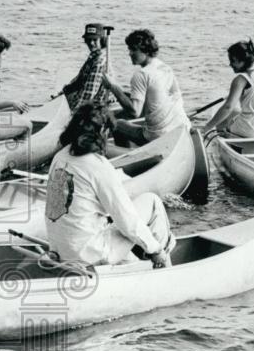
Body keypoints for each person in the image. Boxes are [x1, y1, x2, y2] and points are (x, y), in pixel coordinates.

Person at [44, 103, 175, 268]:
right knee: (152, 202)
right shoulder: (98, 165)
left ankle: (136, 262)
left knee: (118, 223)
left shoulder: (59, 157)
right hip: (88, 255)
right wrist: (155, 250)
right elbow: (127, 221)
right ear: (102, 133)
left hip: (59, 250)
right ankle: (165, 265)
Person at [104, 29, 189, 146]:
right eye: (129, 49)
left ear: (146, 50)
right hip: (181, 127)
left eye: (133, 49)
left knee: (117, 124)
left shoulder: (141, 74)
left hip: (158, 136)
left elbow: (134, 113)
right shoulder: (165, 67)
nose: (130, 53)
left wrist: (113, 87)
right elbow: (171, 96)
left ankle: (126, 156)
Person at [60, 23, 117, 111]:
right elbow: (78, 81)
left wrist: (73, 113)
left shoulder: (100, 62)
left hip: (97, 108)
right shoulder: (93, 58)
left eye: (94, 40)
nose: (91, 43)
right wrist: (63, 93)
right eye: (88, 40)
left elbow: (88, 95)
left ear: (102, 40)